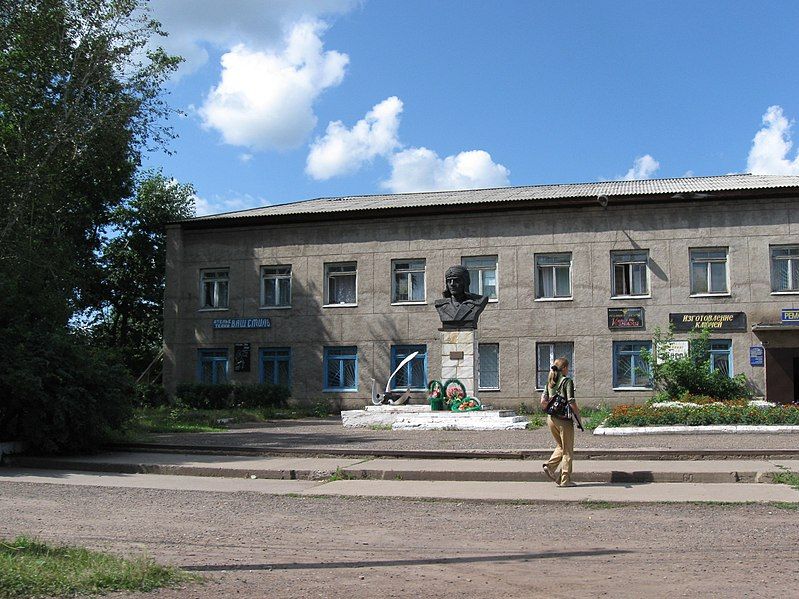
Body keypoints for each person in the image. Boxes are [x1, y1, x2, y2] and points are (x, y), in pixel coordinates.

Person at [539, 357, 581, 487]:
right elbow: (571, 401)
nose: (569, 370)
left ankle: (550, 466)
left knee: (561, 446)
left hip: (551, 418)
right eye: (568, 367)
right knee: (568, 450)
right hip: (564, 420)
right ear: (564, 368)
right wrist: (578, 417)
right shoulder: (567, 381)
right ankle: (565, 480)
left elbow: (543, 401)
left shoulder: (550, 382)